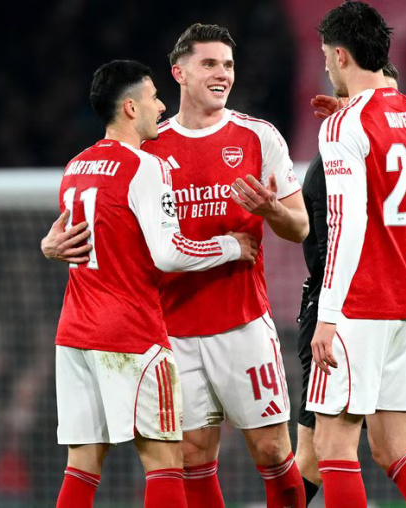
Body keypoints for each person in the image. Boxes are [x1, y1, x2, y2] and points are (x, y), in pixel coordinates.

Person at [43, 24, 309, 508]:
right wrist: (51, 243)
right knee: (190, 458)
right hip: (173, 331)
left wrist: (272, 211)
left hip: (242, 324)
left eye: (228, 64)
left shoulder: (258, 136)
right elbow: (104, 213)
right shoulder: (147, 146)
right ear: (179, 73)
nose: (222, 73)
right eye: (209, 64)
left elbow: (301, 227)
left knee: (273, 451)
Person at [306, 2, 406, 506]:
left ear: (342, 56)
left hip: (361, 304)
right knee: (395, 447)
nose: (326, 65)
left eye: (327, 55)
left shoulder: (344, 127)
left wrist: (327, 315)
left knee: (332, 445)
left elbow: (346, 224)